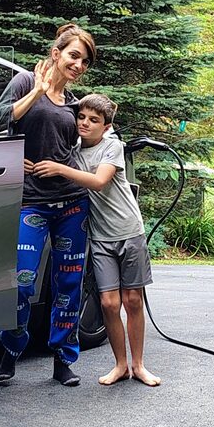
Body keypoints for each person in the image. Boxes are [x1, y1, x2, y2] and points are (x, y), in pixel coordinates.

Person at [0, 23, 96, 386]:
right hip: (30, 202)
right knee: (22, 281)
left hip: (70, 204)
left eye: (85, 61)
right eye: (74, 56)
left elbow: (95, 144)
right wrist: (37, 91)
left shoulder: (75, 106)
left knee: (68, 285)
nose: (79, 65)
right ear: (56, 53)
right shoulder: (23, 82)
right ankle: (12, 348)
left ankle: (63, 360)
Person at [27, 93, 157, 387]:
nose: (85, 123)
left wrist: (59, 168)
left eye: (94, 120)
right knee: (109, 303)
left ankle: (139, 365)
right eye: (81, 117)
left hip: (128, 231)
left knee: (132, 300)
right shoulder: (73, 150)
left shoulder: (112, 147)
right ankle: (120, 365)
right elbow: (46, 154)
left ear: (106, 125)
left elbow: (99, 181)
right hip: (100, 237)